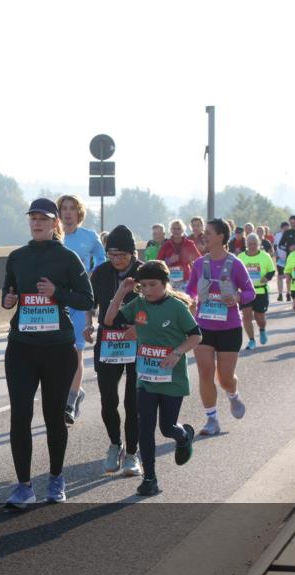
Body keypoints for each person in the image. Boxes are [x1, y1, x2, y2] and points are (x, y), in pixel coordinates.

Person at [2, 198, 94, 508]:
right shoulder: (17, 257)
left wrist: (58, 293)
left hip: (57, 348)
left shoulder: (67, 258)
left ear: (55, 223)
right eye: (33, 218)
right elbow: (8, 294)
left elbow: (86, 300)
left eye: (43, 218)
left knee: (54, 417)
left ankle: (56, 478)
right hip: (22, 347)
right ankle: (24, 486)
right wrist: (9, 300)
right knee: (20, 416)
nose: (37, 222)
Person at [104, 261, 201, 496]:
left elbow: (196, 336)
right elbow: (109, 321)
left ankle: (184, 435)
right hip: (145, 378)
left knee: (167, 428)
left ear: (165, 284)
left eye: (152, 285)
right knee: (144, 429)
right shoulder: (137, 303)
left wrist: (177, 353)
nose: (147, 290)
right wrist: (121, 292)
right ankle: (150, 478)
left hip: (172, 378)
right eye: (143, 285)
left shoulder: (177, 307)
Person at [185, 219, 255, 436]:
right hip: (204, 326)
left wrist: (237, 297)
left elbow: (250, 292)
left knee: (224, 377)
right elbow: (190, 292)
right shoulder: (199, 264)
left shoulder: (235, 263)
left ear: (221, 237)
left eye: (208, 233)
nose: (203, 236)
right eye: (203, 233)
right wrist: (192, 301)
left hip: (229, 327)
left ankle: (233, 394)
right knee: (205, 372)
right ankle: (211, 419)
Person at [86, 225, 143, 476]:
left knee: (134, 401)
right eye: (112, 255)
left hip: (138, 341)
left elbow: (161, 301)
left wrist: (141, 327)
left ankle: (132, 453)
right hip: (109, 339)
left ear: (132, 253)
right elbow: (90, 302)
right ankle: (114, 444)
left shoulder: (146, 272)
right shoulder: (99, 273)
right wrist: (88, 324)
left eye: (122, 255)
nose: (117, 260)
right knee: (108, 398)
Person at [58, 194, 105, 425]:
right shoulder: (53, 237)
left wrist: (91, 275)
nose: (67, 213)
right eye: (64, 208)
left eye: (72, 208)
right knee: (59, 355)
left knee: (76, 352)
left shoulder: (89, 236)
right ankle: (72, 392)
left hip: (79, 302)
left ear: (79, 213)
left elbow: (102, 259)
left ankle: (70, 401)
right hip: (55, 302)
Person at [237, 233, 276, 350]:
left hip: (260, 291)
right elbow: (235, 272)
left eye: (254, 244)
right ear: (246, 244)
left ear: (258, 244)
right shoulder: (241, 257)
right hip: (246, 291)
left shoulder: (265, 256)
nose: (252, 246)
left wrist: (266, 278)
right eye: (250, 244)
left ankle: (262, 330)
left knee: (260, 317)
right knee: (246, 315)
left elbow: (271, 271)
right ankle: (251, 340)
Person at [156, 218, 202, 293]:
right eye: (174, 229)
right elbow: (158, 262)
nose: (176, 231)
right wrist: (169, 261)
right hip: (170, 280)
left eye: (179, 228)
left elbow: (199, 260)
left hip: (185, 279)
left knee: (185, 301)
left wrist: (190, 261)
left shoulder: (189, 244)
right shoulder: (166, 245)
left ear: (183, 230)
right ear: (171, 230)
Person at [273, 221, 290, 300]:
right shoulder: (277, 235)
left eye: (287, 229)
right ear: (281, 229)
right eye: (284, 229)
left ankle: (288, 293)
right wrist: (275, 253)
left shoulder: (291, 235)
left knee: (288, 277)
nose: (286, 230)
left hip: (290, 259)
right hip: (280, 259)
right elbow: (275, 245)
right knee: (280, 276)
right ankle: (280, 294)